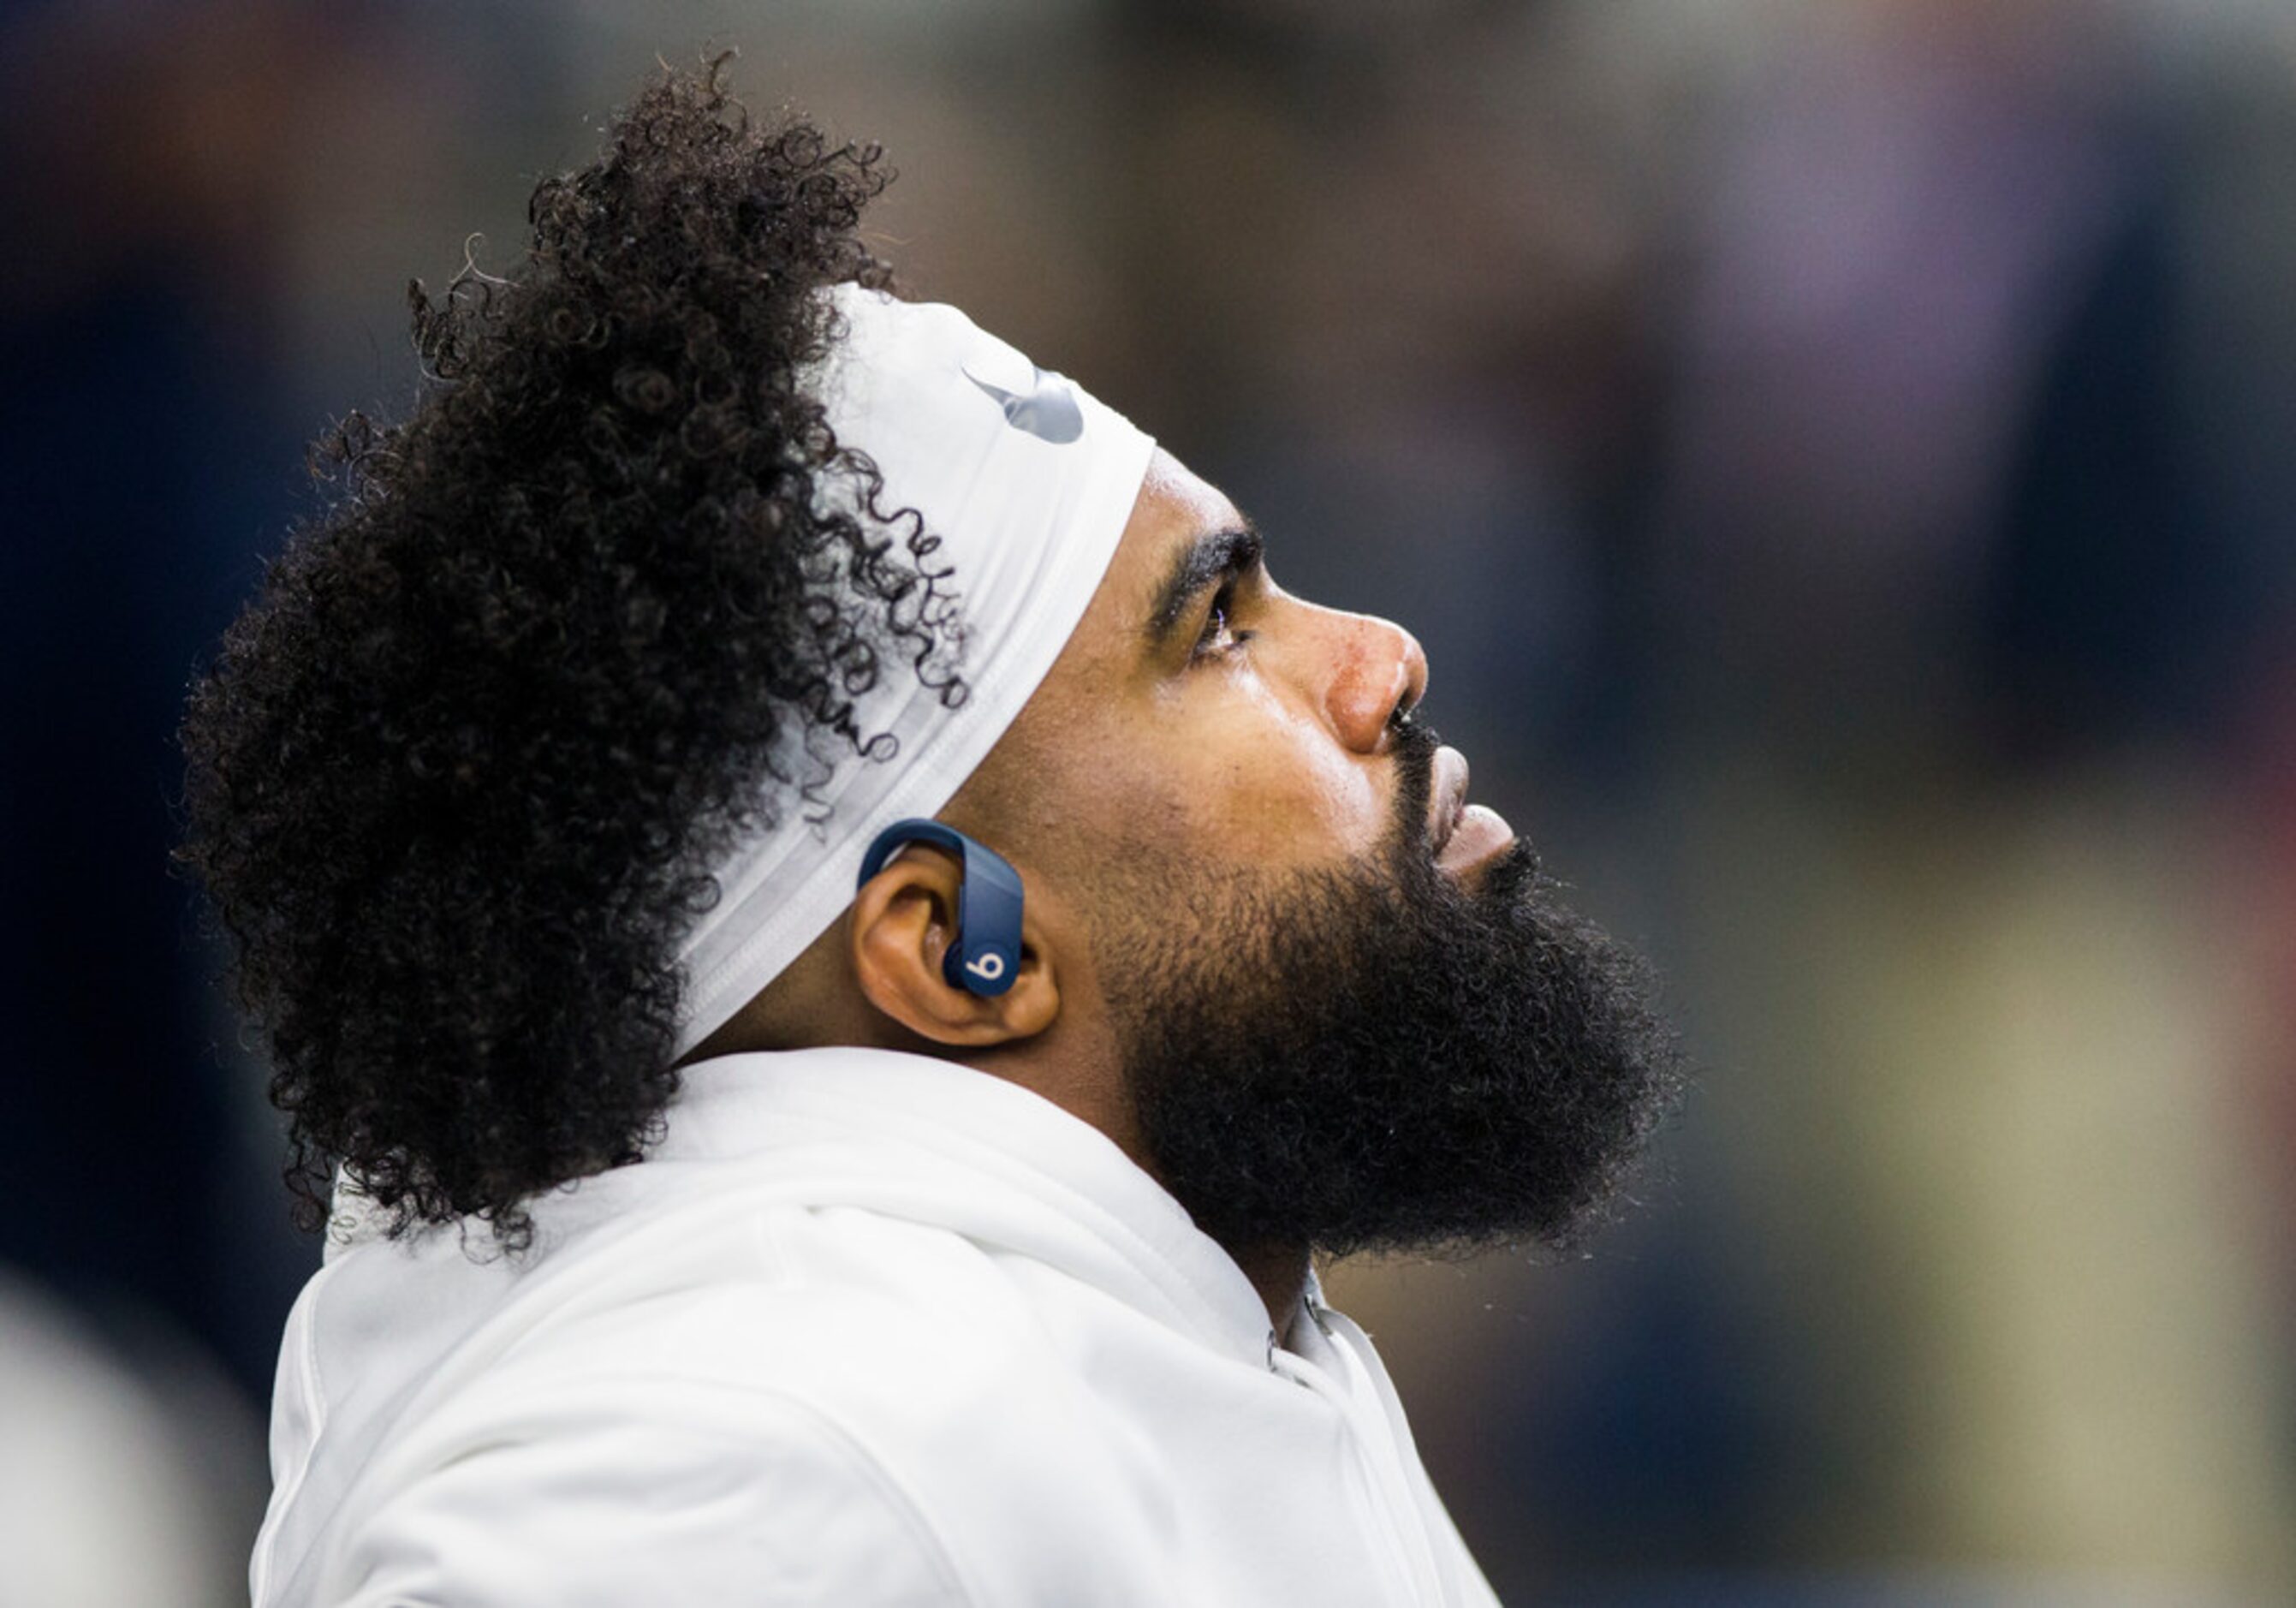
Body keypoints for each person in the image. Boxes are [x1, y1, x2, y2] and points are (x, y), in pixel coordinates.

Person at [180, 58, 1680, 1608]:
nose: (1381, 660)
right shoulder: (764, 1442)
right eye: (1216, 629)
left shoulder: (1134, 1311)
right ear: (954, 947)